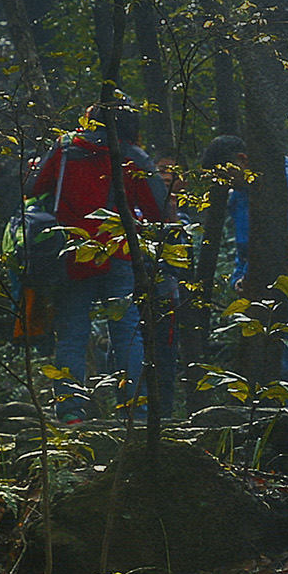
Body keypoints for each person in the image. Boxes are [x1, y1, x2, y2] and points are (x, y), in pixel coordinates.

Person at [25, 100, 175, 410]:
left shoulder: (65, 147)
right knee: (127, 331)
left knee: (71, 332)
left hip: (73, 251)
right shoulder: (133, 156)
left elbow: (32, 187)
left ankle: (70, 411)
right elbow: (158, 211)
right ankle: (138, 412)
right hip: (119, 252)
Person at [199, 133, 288, 384]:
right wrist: (239, 278)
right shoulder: (239, 197)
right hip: (261, 294)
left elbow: (282, 238)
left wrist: (251, 274)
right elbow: (243, 247)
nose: (227, 184)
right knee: (260, 367)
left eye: (226, 176)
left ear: (243, 160)